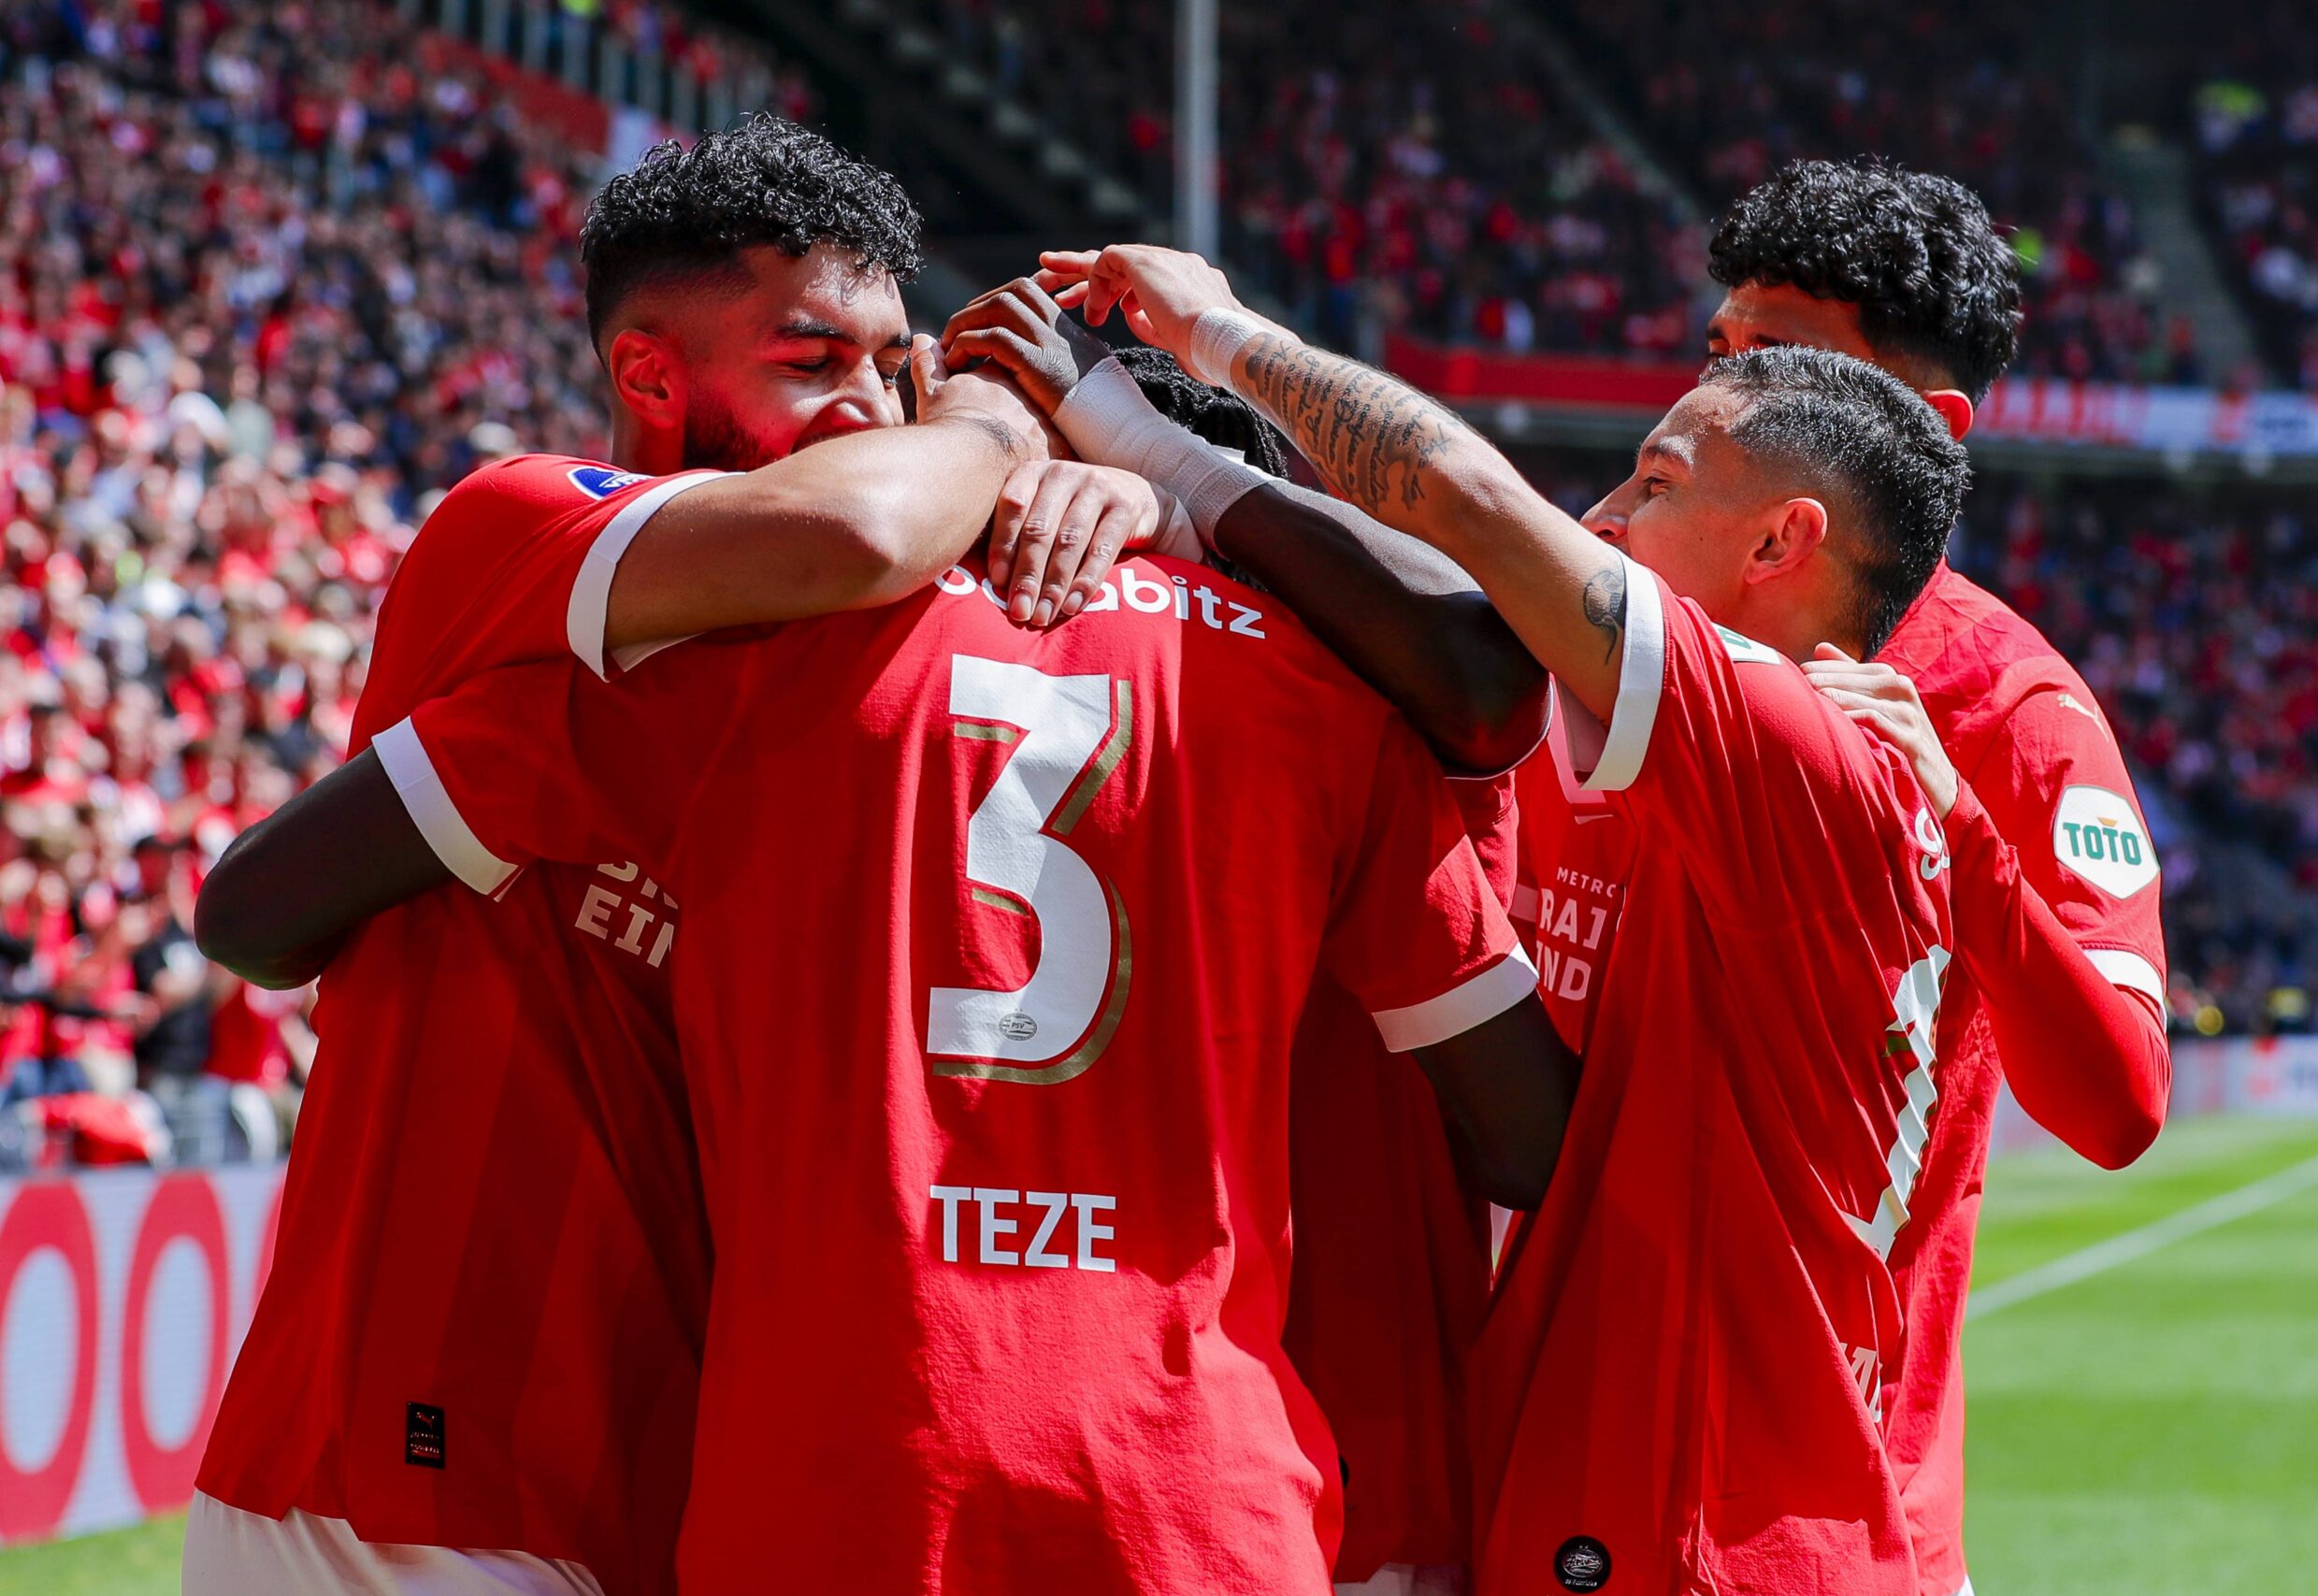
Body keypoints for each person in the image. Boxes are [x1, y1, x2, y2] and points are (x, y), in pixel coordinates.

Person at [209, 386, 1583, 1593]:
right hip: (1191, 1490)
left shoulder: (762, 654)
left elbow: (264, 902)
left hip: (845, 1478)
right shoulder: (1328, 706)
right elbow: (1529, 1132)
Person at [185, 119, 1133, 1594]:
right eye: (815, 363)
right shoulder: (523, 525)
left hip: (666, 1480)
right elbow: (860, 529)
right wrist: (1008, 425)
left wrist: (1124, 492)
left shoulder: (840, 680)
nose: (876, 407)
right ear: (649, 377)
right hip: (413, 1465)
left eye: (896, 365)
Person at [1036, 239, 1971, 1593]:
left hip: (1703, 1531)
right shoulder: (1705, 772)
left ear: (1784, 541)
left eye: (1655, 481)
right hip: (1661, 1500)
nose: (1598, 517)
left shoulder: (1809, 760)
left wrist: (1194, 364)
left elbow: (1465, 503)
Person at [940, 278, 1549, 1595]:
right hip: (1306, 1470)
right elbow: (1486, 664)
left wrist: (1163, 489)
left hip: (972, 1433)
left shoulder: (889, 670)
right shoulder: (1345, 696)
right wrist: (1189, 494)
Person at [1701, 159, 2172, 1596]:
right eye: (1721, 354)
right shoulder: (1616, 614)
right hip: (1563, 1459)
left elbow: (2118, 1104)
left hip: (1842, 1514)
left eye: (1780, 362)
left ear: (1924, 429)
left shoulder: (2010, 707)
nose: (1724, 399)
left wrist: (1959, 833)